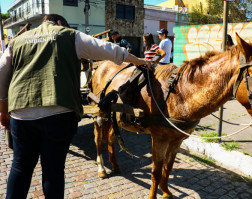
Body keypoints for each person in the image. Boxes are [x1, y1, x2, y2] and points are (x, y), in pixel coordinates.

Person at [0, 14, 151, 199]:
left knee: (20, 167)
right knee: (53, 170)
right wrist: (141, 61)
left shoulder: (17, 41)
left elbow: (1, 75)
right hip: (58, 113)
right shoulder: (69, 35)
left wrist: (3, 110)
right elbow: (111, 50)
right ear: (59, 23)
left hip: (21, 114)